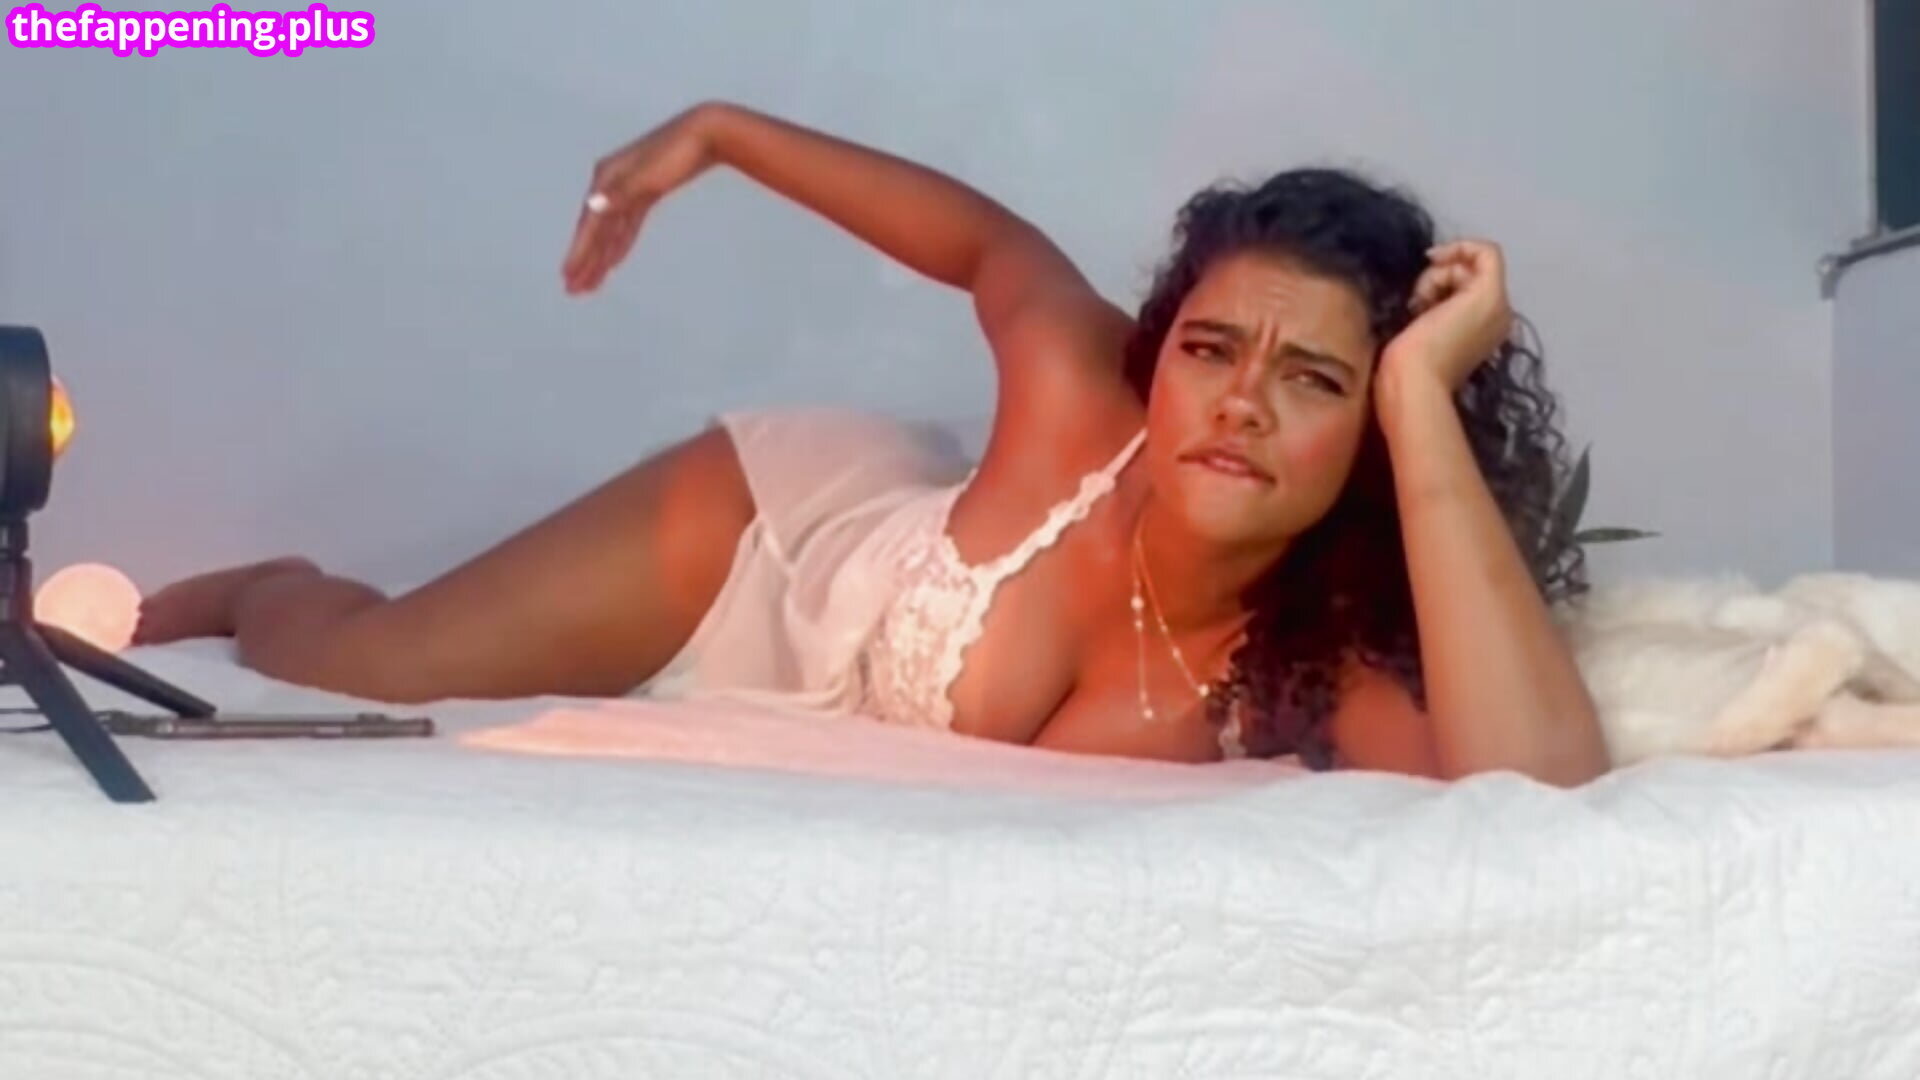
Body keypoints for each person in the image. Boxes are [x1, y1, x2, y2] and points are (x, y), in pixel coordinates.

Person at [133, 101, 1610, 785]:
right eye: (1212, 350)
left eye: (1317, 381)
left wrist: (1423, 396)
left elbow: (1538, 791)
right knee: (367, 673)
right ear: (1158, 360)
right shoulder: (1081, 397)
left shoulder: (1323, 662)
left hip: (828, 678)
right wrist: (720, 135)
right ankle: (264, 582)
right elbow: (979, 242)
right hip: (762, 549)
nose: (1238, 403)